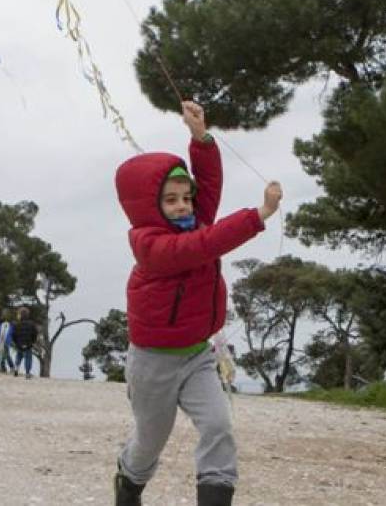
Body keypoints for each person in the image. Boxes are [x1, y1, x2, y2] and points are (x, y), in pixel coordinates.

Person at [113, 101, 281, 506]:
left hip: (198, 356)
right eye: (170, 200)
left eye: (185, 198)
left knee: (219, 426)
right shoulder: (151, 244)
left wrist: (201, 138)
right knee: (150, 441)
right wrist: (258, 215)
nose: (184, 206)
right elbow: (203, 246)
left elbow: (208, 184)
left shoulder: (195, 220)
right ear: (145, 206)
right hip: (152, 363)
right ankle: (128, 482)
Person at [12, 306, 39, 378]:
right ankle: (27, 373)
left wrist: (16, 343)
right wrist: (33, 342)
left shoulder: (16, 324)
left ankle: (16, 368)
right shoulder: (32, 324)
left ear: (20, 315)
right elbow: (35, 334)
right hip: (28, 344)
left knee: (18, 357)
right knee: (28, 358)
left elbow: (14, 335)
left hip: (19, 344)